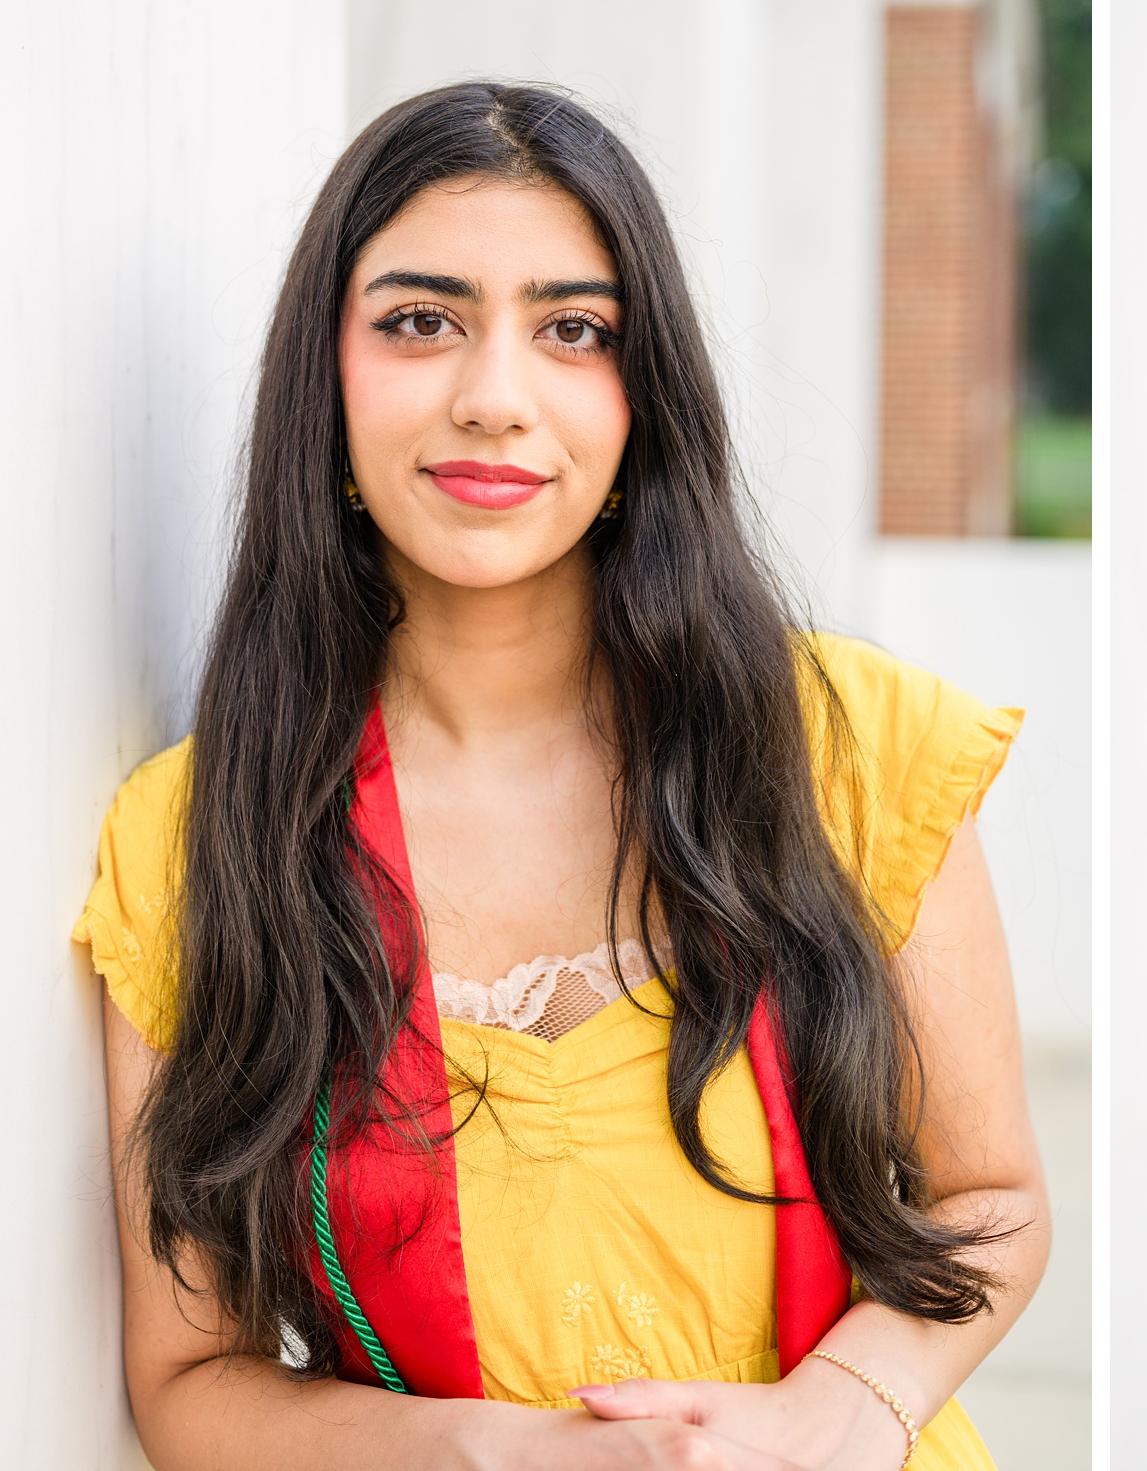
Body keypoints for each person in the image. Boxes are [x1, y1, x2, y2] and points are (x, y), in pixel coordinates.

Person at [74, 83, 1049, 1469]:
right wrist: (503, 1455)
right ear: (325, 376)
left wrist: (835, 1412)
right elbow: (187, 1379)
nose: (492, 398)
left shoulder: (847, 745)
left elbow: (992, 1193)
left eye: (573, 330)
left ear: (642, 395)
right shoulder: (198, 835)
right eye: (421, 321)